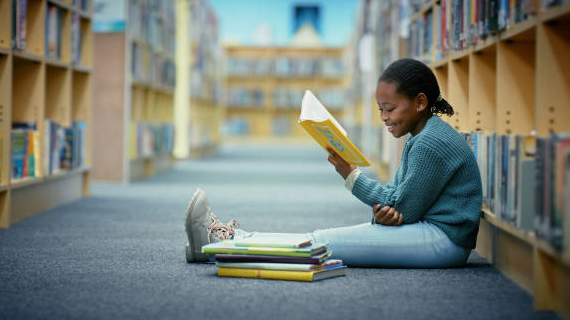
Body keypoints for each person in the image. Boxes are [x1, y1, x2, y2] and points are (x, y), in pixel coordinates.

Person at [184, 58, 483, 268]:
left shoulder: (430, 142)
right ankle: (228, 242)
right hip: (431, 233)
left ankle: (222, 245)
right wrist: (385, 212)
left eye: (389, 109)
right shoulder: (423, 135)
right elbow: (397, 196)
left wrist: (350, 175)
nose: (383, 118)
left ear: (419, 103)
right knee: (321, 241)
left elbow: (403, 208)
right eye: (380, 109)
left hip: (443, 241)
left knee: (321, 243)